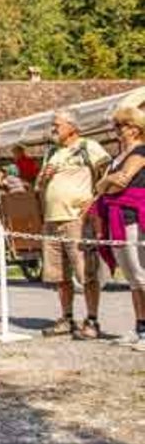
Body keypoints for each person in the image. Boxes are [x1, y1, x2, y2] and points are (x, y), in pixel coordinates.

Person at [36, 109, 110, 339]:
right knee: (59, 276)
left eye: (56, 124)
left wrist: (94, 202)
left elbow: (108, 175)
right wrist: (44, 177)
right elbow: (38, 186)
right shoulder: (52, 152)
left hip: (77, 219)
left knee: (86, 273)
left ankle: (92, 320)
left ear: (72, 126)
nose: (53, 129)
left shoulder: (89, 147)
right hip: (51, 220)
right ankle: (67, 318)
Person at [89, 106, 145, 350]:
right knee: (132, 278)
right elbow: (103, 186)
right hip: (116, 218)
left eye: (119, 126)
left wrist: (107, 183)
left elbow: (122, 181)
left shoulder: (140, 152)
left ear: (133, 128)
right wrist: (107, 182)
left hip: (134, 217)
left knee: (142, 274)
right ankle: (140, 326)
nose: (116, 131)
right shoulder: (118, 157)